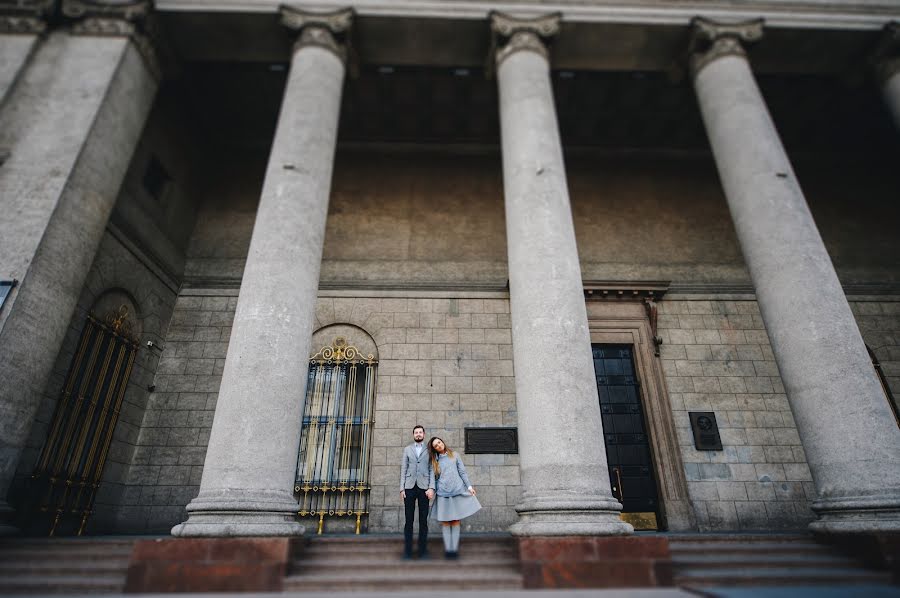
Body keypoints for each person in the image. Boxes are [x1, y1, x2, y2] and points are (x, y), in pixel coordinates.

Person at [428, 436, 481, 559]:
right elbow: (434, 479)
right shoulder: (434, 461)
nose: (439, 446)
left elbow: (462, 472)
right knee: (446, 522)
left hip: (457, 491)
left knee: (456, 520)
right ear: (434, 449)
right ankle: (449, 550)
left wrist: (469, 487)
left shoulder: (455, 455)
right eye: (436, 446)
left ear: (443, 442)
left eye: (439, 443)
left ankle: (454, 549)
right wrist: (432, 490)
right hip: (443, 494)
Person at [400, 425, 435, 559]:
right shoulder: (407, 449)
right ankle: (407, 551)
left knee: (423, 521)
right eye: (416, 432)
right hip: (409, 487)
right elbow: (404, 469)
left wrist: (431, 487)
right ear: (413, 435)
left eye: (420, 432)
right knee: (409, 520)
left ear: (424, 435)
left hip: (424, 488)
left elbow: (432, 469)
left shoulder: (429, 450)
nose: (418, 434)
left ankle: (422, 551)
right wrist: (402, 488)